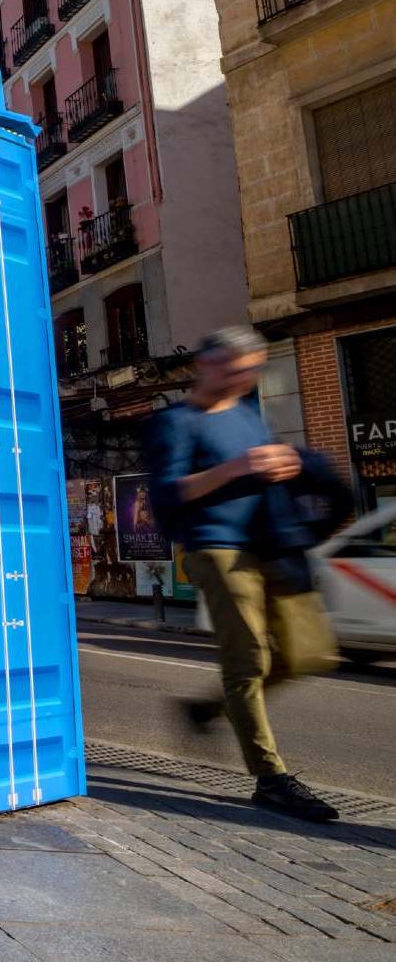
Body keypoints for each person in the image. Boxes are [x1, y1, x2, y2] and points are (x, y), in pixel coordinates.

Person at [146, 325, 348, 822]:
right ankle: (271, 779)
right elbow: (168, 494)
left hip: (273, 548)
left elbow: (269, 471)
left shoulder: (249, 415)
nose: (245, 377)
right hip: (216, 547)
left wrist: (286, 465)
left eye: (253, 370)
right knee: (249, 659)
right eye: (237, 368)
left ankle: (208, 710)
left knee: (310, 654)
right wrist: (235, 469)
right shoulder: (176, 422)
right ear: (207, 363)